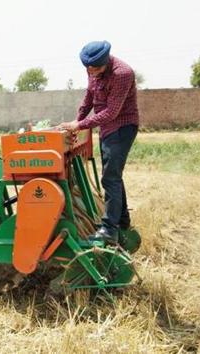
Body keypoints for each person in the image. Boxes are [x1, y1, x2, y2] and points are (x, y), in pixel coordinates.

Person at [58, 40, 139, 245]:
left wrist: (81, 126)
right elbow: (89, 98)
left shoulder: (123, 73)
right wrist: (77, 120)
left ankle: (109, 230)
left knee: (110, 178)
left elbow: (111, 112)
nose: (90, 72)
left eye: (94, 68)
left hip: (122, 127)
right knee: (113, 177)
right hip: (106, 127)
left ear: (105, 62)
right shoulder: (92, 70)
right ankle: (122, 222)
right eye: (88, 69)